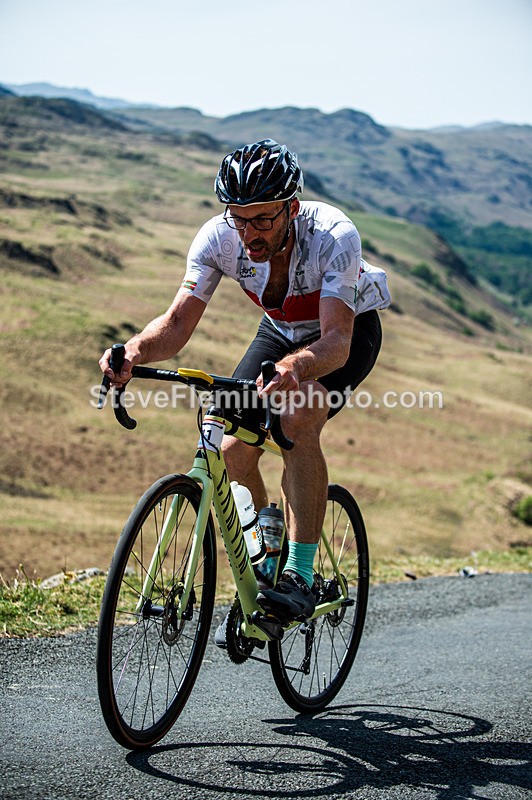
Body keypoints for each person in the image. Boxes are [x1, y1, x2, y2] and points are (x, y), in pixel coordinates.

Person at [100, 139, 391, 635]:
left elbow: (337, 342)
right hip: (279, 330)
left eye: (262, 219)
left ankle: (300, 573)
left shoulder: (333, 235)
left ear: (291, 208)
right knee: (230, 444)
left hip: (342, 333)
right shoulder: (218, 239)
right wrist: (133, 352)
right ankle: (266, 550)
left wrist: (296, 368)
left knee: (297, 417)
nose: (249, 233)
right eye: (239, 218)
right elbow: (176, 323)